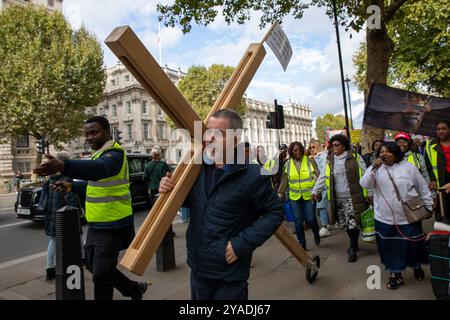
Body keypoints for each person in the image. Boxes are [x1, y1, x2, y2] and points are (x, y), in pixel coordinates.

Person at [159, 109, 284, 300]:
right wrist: (169, 187)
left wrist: (241, 244)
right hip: (198, 266)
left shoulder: (253, 174)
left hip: (229, 273)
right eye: (208, 131)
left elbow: (274, 213)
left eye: (219, 133)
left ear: (236, 139)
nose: (209, 137)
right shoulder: (195, 169)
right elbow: (189, 202)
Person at [33, 116, 148, 300]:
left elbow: (99, 169)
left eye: (94, 132)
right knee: (92, 265)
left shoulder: (114, 154)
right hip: (97, 223)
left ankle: (134, 290)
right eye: (86, 133)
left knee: (101, 276)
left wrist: (64, 166)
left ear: (107, 132)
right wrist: (72, 187)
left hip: (114, 223)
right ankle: (134, 289)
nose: (89, 137)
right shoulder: (98, 154)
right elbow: (95, 186)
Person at [360, 142, 432, 289]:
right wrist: (373, 167)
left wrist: (429, 206)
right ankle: (395, 273)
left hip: (409, 217)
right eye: (381, 152)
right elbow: (364, 184)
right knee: (390, 247)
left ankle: (416, 266)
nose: (384, 154)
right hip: (384, 218)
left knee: (413, 245)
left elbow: (423, 187)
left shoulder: (408, 168)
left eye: (388, 151)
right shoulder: (375, 170)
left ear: (396, 153)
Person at [312, 134, 369, 262]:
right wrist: (315, 190)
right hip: (337, 198)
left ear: (344, 145)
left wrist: (369, 193)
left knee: (353, 223)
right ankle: (354, 243)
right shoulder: (330, 160)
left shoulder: (354, 157)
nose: (334, 147)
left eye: (337, 145)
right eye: (332, 145)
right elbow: (323, 177)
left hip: (353, 196)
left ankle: (353, 248)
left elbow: (365, 174)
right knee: (346, 224)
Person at [41, 152, 80, 281]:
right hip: (65, 213)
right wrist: (77, 212)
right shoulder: (67, 178)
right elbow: (71, 198)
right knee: (77, 237)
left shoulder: (51, 177)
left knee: (53, 240)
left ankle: (50, 269)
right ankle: (83, 260)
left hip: (52, 213)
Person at [278, 142, 320, 250]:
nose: (297, 152)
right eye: (294, 150)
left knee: (311, 219)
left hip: (309, 196)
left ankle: (316, 232)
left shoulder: (310, 160)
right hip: (294, 198)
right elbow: (284, 180)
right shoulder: (288, 164)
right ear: (291, 152)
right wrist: (280, 193)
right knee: (298, 220)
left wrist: (318, 190)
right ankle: (302, 244)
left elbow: (319, 175)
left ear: (302, 150)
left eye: (299, 149)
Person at [425, 120, 450, 224]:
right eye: (438, 129)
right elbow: (428, 166)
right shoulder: (430, 145)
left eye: (444, 129)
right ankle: (443, 236)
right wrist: (432, 180)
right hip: (441, 181)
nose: (441, 131)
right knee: (442, 211)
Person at [308, 139, 331, 238]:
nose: (312, 149)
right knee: (319, 207)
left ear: (318, 146)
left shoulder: (323, 156)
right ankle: (327, 223)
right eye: (310, 147)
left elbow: (323, 172)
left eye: (313, 147)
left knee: (321, 206)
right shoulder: (310, 158)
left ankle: (325, 227)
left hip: (323, 185)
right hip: (315, 186)